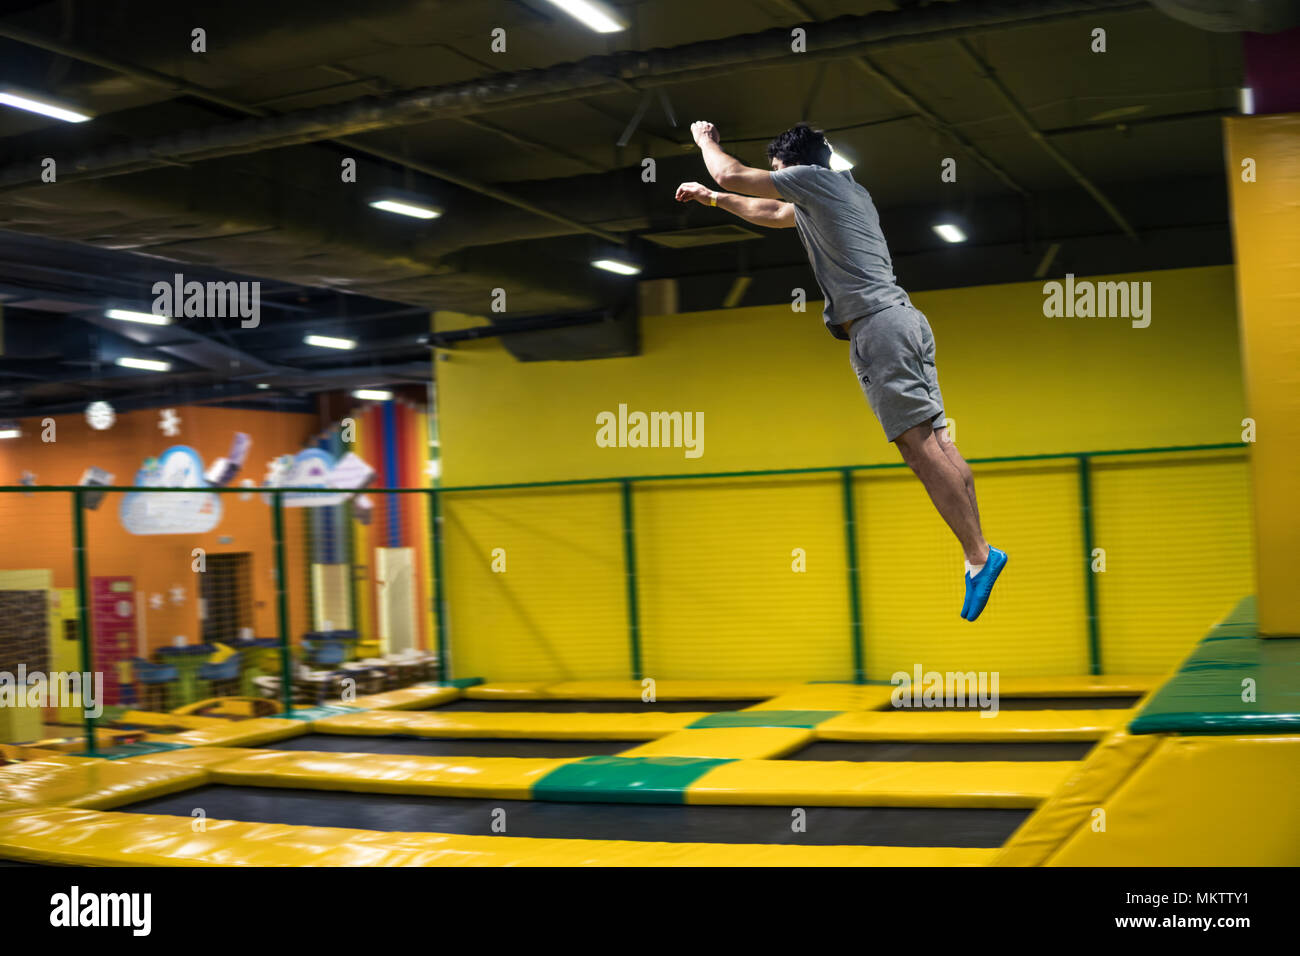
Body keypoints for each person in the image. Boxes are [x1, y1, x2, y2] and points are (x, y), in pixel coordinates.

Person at [675, 120, 1007, 621]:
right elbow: (771, 211)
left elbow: (732, 174)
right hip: (905, 321)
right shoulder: (846, 192)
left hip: (878, 329)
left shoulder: (811, 179)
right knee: (939, 442)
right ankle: (979, 550)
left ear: (793, 166)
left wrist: (705, 141)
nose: (777, 179)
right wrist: (712, 200)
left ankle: (979, 555)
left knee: (918, 451)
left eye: (777, 172)